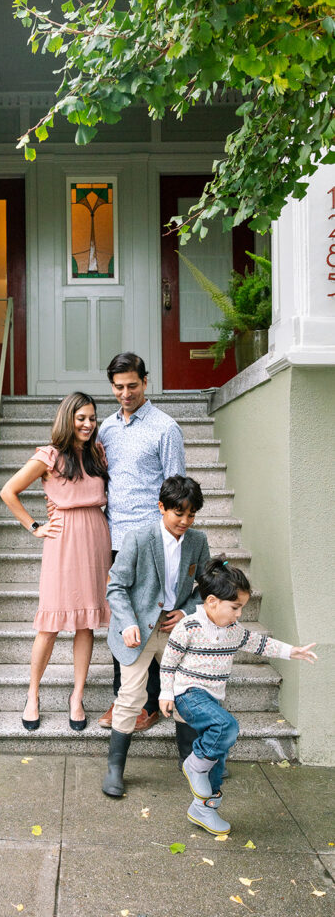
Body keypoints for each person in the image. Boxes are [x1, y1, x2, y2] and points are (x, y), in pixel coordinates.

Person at [159, 558, 317, 834]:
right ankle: (194, 765)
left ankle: (203, 810)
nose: (239, 614)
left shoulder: (234, 632)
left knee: (218, 761)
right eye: (235, 607)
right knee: (227, 726)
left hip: (212, 699)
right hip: (188, 693)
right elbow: (169, 664)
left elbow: (261, 644)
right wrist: (165, 693)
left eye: (241, 608)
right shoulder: (189, 627)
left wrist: (293, 651)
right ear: (211, 601)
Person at [0, 391, 111, 732]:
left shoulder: (98, 454)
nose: (88, 424)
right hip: (62, 539)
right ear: (68, 419)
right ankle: (32, 693)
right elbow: (9, 491)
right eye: (81, 418)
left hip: (95, 536)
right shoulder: (48, 456)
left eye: (92, 418)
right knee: (48, 625)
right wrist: (35, 526)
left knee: (85, 623)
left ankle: (77, 696)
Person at [102, 475, 209, 798]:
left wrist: (187, 611)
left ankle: (189, 759)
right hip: (138, 628)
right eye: (179, 514)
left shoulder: (197, 541)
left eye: (191, 515)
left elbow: (206, 587)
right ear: (161, 507)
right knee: (131, 695)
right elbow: (115, 587)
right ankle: (115, 769)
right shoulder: (138, 538)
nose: (185, 521)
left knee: (187, 691)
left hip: (175, 628)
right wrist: (127, 622)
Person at [97, 352, 186, 733]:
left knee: (151, 620)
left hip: (153, 540)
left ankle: (148, 704)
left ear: (145, 382)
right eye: (119, 387)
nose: (126, 393)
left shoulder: (166, 429)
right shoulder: (106, 428)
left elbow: (177, 487)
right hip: (117, 539)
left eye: (133, 385)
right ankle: (124, 700)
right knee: (124, 620)